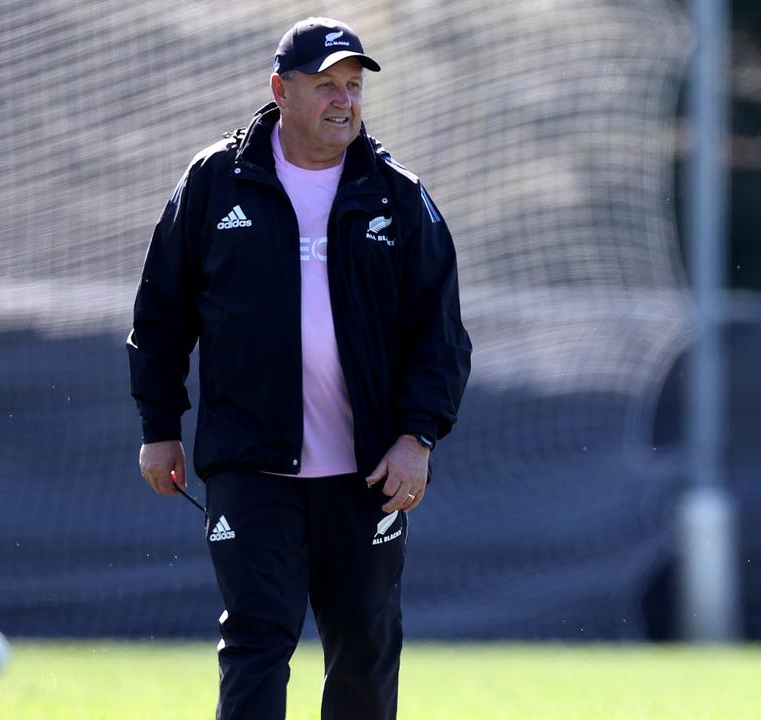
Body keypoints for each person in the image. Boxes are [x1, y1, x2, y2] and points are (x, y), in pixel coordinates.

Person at [127, 17, 472, 720]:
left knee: (366, 650)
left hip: (367, 472)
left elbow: (440, 335)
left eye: (353, 86)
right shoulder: (213, 183)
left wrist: (416, 437)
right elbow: (161, 316)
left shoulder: (398, 195)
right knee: (256, 642)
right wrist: (159, 427)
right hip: (252, 468)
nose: (344, 100)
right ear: (280, 90)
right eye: (325, 86)